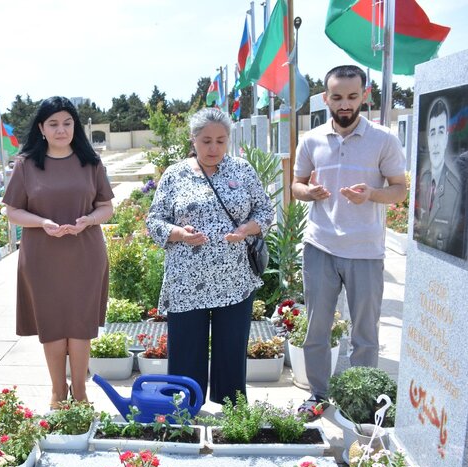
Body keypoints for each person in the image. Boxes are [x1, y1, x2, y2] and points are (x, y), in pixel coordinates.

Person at [291, 65, 406, 418]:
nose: (344, 104)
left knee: (365, 333)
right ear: (326, 98)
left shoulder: (383, 139)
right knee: (316, 328)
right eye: (337, 97)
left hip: (366, 250)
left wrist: (371, 193)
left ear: (364, 96)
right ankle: (318, 394)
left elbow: (399, 190)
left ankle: (361, 401)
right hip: (320, 246)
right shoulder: (311, 140)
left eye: (352, 97)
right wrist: (309, 192)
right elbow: (296, 185)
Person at [146, 107, 274, 406]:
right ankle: (184, 409)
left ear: (228, 139)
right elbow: (154, 220)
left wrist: (246, 229)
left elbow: (265, 210)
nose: (213, 148)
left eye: (220, 140)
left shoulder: (242, 171)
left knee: (231, 348)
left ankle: (231, 410)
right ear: (193, 140)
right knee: (186, 350)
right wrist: (179, 233)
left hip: (235, 278)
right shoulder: (175, 174)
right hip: (187, 280)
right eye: (206, 141)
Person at [3, 96, 113, 407]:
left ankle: (79, 390)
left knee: (80, 324)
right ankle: (57, 389)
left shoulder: (91, 163)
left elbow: (106, 207)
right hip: (42, 255)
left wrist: (88, 220)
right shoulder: (26, 165)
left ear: (75, 126)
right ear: (41, 128)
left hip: (85, 253)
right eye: (53, 123)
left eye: (67, 123)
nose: (61, 129)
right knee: (51, 323)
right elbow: (12, 212)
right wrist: (43, 222)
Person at [413, 97, 465, 257]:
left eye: (441, 132)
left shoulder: (456, 187)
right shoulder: (423, 179)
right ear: (428, 138)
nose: (435, 142)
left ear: (447, 137)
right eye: (432, 133)